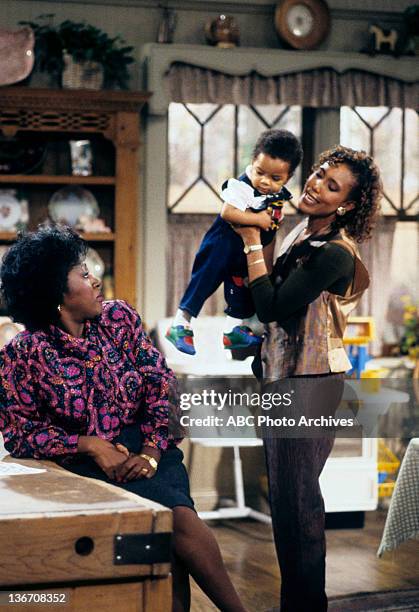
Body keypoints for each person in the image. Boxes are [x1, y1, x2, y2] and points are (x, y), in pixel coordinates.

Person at [0, 226, 247, 612]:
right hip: (87, 469)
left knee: (178, 522)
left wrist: (149, 451)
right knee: (163, 542)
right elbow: (19, 434)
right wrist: (90, 445)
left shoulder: (120, 318)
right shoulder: (23, 353)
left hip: (152, 449)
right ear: (56, 295)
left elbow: (160, 383)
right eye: (82, 275)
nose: (95, 279)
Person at [233, 145, 382, 612]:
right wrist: (256, 343)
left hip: (311, 384)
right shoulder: (303, 231)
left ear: (348, 205)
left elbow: (274, 305)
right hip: (286, 378)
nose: (316, 184)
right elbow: (280, 315)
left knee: (299, 507)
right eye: (319, 173)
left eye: (332, 185)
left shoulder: (337, 252)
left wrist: (251, 241)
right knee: (285, 505)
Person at [166, 129, 303, 356]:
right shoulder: (241, 186)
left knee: (239, 291)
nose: (265, 182)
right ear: (252, 163)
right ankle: (180, 323)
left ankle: (232, 331)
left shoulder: (277, 197)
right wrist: (258, 218)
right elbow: (229, 212)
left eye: (276, 178)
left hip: (243, 253)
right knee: (203, 282)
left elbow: (270, 232)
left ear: (288, 178)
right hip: (220, 247)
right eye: (260, 172)